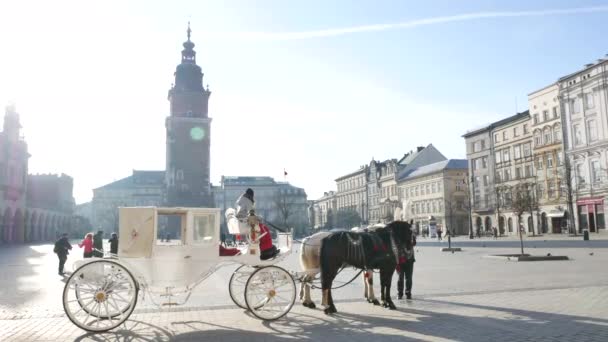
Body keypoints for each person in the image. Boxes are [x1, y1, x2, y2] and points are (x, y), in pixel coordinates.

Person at [235, 188, 280, 260]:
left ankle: (266, 248)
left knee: (262, 229)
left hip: (242, 222)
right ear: (251, 195)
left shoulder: (240, 201)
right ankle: (266, 250)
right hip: (246, 223)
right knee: (264, 230)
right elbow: (251, 214)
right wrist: (259, 218)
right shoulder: (248, 200)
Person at [397, 233, 417, 300]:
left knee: (407, 278)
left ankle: (407, 293)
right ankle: (401, 293)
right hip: (401, 260)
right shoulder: (398, 236)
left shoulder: (411, 235)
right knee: (401, 278)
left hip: (408, 259)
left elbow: (414, 243)